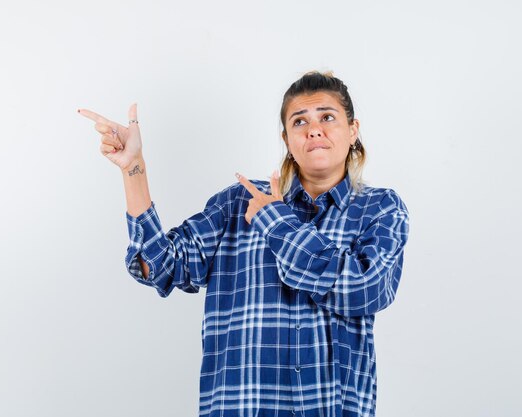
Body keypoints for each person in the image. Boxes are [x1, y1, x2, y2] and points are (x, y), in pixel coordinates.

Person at [78, 70, 410, 417]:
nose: (314, 129)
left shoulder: (380, 207)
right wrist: (134, 169)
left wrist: (275, 222)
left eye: (327, 117)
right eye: (300, 121)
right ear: (287, 138)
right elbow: (159, 266)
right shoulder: (238, 203)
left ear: (353, 130)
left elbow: (365, 288)